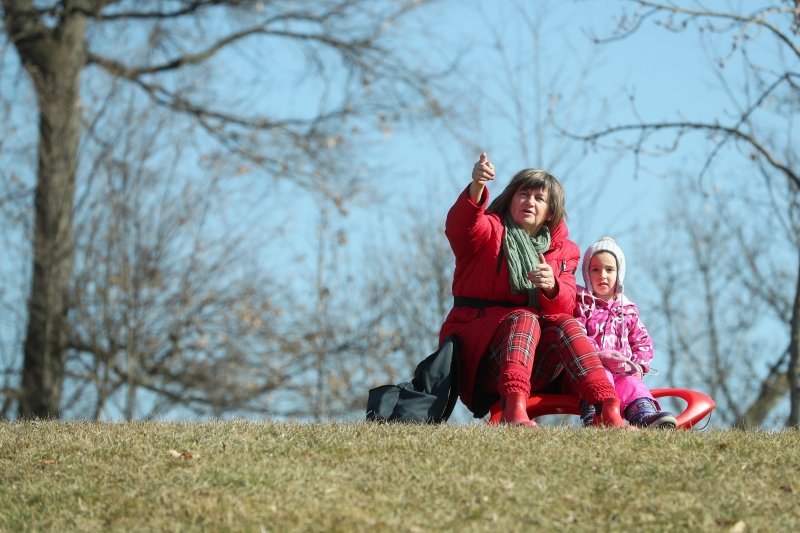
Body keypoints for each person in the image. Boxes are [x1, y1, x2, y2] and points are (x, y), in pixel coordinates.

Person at [438, 153, 629, 427]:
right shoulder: (489, 230)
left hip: (536, 364)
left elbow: (564, 305)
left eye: (540, 198)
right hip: (480, 361)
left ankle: (608, 409)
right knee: (523, 317)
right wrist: (477, 186)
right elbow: (460, 227)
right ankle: (513, 412)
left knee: (565, 322)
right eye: (523, 194)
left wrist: (551, 286)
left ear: (550, 211)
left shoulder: (565, 250)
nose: (530, 202)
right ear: (511, 199)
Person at [574, 236, 677, 428]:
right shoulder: (583, 305)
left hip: (622, 370)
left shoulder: (627, 311)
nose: (602, 275)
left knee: (632, 385)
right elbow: (577, 333)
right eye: (595, 269)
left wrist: (638, 366)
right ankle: (596, 414)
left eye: (609, 269)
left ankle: (645, 415)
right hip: (592, 367)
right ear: (587, 274)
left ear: (619, 273)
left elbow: (643, 341)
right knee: (600, 376)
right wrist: (598, 355)